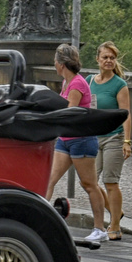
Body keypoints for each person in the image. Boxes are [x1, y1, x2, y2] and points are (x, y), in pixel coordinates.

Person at [44, 44, 106, 244]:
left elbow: (69, 113)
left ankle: (100, 228)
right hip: (66, 139)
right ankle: (41, 220)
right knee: (48, 180)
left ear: (61, 64)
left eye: (55, 61)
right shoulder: (66, 82)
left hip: (82, 140)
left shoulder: (77, 84)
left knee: (89, 184)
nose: (54, 65)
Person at [90, 41, 132, 240]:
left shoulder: (119, 85)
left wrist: (127, 141)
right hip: (93, 137)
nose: (108, 61)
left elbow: (126, 114)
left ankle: (115, 225)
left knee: (110, 182)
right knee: (89, 181)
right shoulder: (90, 81)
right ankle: (117, 211)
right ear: (97, 59)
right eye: (105, 57)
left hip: (113, 138)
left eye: (112, 58)